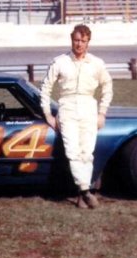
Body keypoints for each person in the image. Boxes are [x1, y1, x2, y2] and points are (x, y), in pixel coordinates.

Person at [40, 24, 113, 209]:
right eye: (76, 40)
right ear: (71, 40)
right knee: (72, 152)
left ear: (88, 42)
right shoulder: (60, 62)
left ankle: (82, 193)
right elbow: (46, 88)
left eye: (83, 41)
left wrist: (102, 112)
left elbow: (107, 88)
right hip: (67, 107)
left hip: (89, 107)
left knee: (86, 152)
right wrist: (48, 113)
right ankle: (86, 192)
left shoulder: (97, 63)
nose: (79, 44)